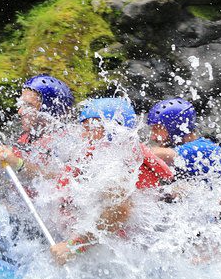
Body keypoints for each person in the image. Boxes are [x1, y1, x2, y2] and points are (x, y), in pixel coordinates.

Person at [50, 98, 172, 265]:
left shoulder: (118, 162)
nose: (83, 135)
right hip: (129, 252)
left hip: (131, 259)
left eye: (88, 128)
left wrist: (73, 246)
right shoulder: (110, 156)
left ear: (110, 130)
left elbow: (120, 211)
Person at [0, 74, 74, 180]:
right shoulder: (27, 139)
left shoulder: (66, 142)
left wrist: (18, 164)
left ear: (49, 110)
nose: (20, 111)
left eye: (28, 106)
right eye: (21, 104)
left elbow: (61, 179)